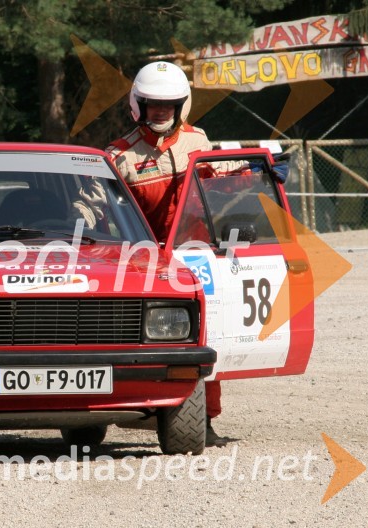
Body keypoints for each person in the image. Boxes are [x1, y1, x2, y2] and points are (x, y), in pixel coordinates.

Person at [105, 61, 224, 447]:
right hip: (143, 262)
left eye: (169, 104)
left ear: (181, 105)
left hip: (193, 256)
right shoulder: (119, 156)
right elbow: (94, 208)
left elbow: (222, 176)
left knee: (206, 333)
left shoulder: (199, 143)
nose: (161, 112)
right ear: (137, 105)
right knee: (145, 338)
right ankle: (129, 404)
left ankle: (203, 419)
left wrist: (263, 171)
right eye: (153, 104)